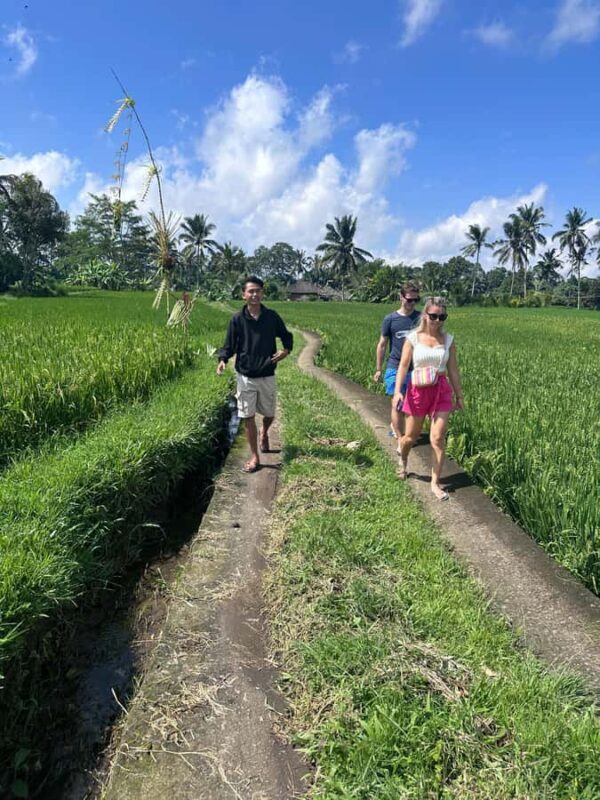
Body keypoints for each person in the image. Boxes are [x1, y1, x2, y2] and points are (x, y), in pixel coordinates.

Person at [217, 276, 293, 473]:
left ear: (262, 293)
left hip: (267, 372)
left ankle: (264, 432)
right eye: (250, 291)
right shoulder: (237, 319)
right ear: (243, 295)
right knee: (247, 415)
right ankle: (254, 457)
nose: (254, 294)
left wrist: (285, 351)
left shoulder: (271, 317)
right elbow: (229, 345)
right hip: (245, 375)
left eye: (258, 290)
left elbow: (286, 336)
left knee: (269, 414)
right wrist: (223, 360)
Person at [393, 296, 464, 501]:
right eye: (434, 316)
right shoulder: (413, 338)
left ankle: (435, 482)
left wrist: (459, 395)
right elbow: (403, 366)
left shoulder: (448, 340)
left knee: (438, 437)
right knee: (410, 437)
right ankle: (403, 461)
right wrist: (398, 391)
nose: (438, 321)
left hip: (441, 389)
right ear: (425, 315)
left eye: (442, 317)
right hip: (418, 390)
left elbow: (453, 370)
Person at [374, 284, 421, 441]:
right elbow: (382, 344)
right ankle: (399, 436)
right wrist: (378, 369)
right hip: (395, 366)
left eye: (415, 300)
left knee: (412, 404)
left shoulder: (421, 318)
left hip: (415, 368)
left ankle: (403, 430)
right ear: (401, 297)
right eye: (409, 300)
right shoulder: (390, 319)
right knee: (398, 402)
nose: (412, 303)